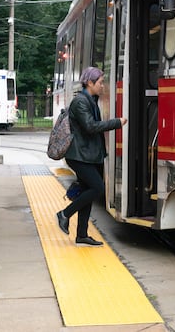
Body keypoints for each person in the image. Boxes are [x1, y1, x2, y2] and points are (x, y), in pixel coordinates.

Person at [56, 67, 127, 246]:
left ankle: (81, 235)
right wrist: (116, 123)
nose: (103, 86)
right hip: (79, 155)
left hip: (88, 154)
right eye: (100, 82)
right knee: (97, 188)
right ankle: (64, 214)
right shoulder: (80, 102)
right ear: (90, 83)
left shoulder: (89, 99)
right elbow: (90, 126)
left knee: (87, 190)